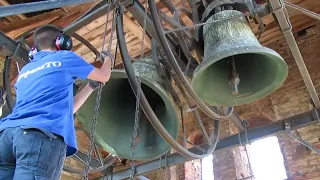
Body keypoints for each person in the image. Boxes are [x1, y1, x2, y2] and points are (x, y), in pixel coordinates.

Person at [0, 25, 113, 180]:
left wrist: (90, 86)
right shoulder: (65, 57)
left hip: (7, 136)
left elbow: (67, 110)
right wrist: (108, 60)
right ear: (62, 43)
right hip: (38, 137)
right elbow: (104, 75)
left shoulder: (25, 71)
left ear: (34, 49)